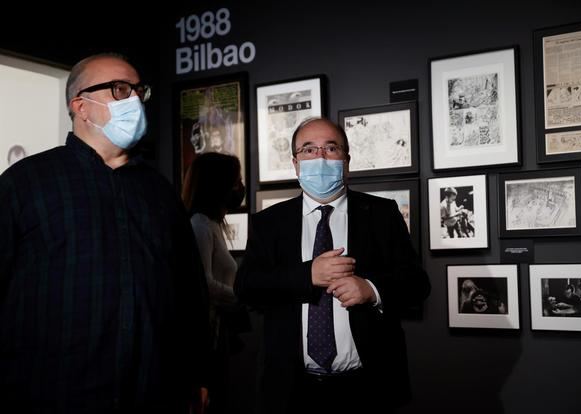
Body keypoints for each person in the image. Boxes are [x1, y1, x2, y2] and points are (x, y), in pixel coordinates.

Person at [0, 53, 210, 414]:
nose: (134, 100)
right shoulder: (26, 183)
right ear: (81, 106)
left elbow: (190, 293)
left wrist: (198, 374)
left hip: (154, 392)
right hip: (51, 394)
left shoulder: (160, 192)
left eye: (138, 91)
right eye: (119, 89)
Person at [235, 117, 431, 414]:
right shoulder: (269, 222)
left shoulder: (381, 213)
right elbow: (247, 287)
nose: (321, 157)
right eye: (309, 150)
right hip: (292, 389)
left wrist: (371, 289)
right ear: (295, 163)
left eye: (331, 148)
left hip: (368, 386)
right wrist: (306, 274)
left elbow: (417, 284)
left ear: (346, 160)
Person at [182, 152, 248, 413]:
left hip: (217, 333)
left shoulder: (212, 224)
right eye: (236, 181)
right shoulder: (200, 225)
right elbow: (203, 283)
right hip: (205, 338)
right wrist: (241, 295)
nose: (239, 187)